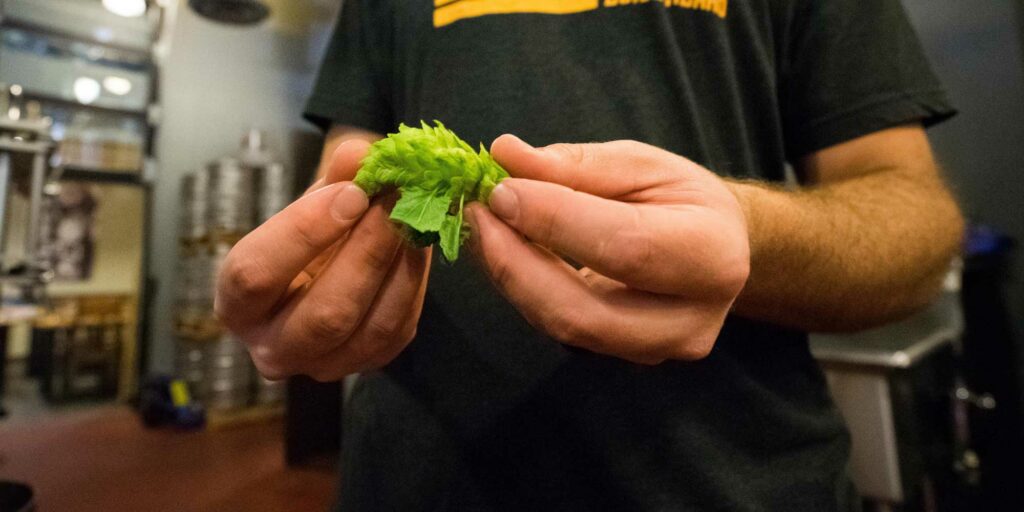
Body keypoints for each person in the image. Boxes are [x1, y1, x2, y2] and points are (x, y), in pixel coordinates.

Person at [215, 0, 963, 510]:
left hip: (737, 486)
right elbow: (349, 160)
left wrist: (747, 230)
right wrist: (312, 282)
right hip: (415, 485)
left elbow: (913, 223)